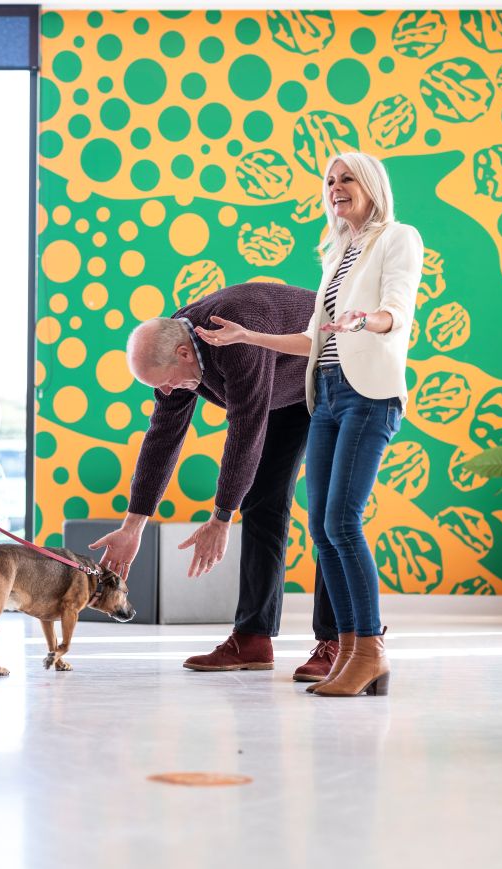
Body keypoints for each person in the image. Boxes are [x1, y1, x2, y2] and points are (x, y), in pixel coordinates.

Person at [196, 152, 423, 697]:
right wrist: (247, 338)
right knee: (323, 528)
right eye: (329, 181)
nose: (336, 187)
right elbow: (314, 340)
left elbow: (398, 309)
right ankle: (347, 650)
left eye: (347, 178)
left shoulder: (398, 238)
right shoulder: (337, 253)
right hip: (325, 395)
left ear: (371, 185)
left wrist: (365, 320)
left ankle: (368, 651)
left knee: (342, 522)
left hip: (370, 396)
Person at [90, 282, 341, 679]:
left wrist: (221, 517)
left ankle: (335, 641)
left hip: (331, 373)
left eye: (166, 382)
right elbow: (162, 438)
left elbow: (245, 428)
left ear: (184, 353)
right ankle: (253, 637)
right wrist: (133, 525)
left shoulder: (233, 338)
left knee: (332, 513)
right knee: (262, 502)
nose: (167, 392)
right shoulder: (172, 342)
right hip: (279, 385)